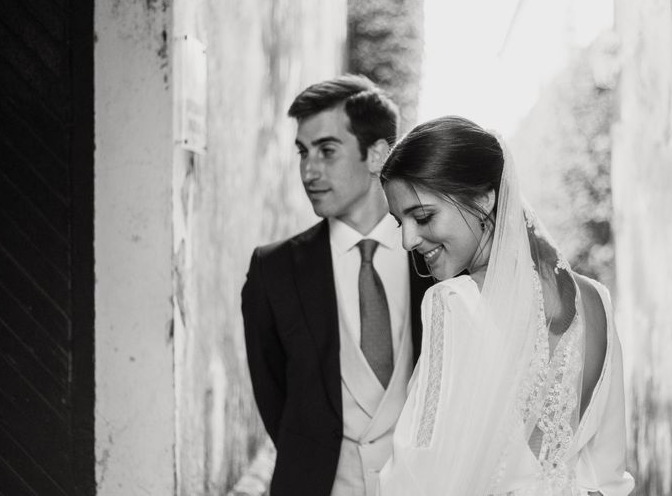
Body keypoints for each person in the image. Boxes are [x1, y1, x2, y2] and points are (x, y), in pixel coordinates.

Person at [378, 116, 635, 495]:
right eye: (400, 222)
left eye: (422, 216)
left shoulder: (453, 304)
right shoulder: (596, 300)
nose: (407, 240)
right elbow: (608, 478)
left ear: (485, 198)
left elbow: (418, 476)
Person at [241, 75, 433, 496]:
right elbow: (275, 399)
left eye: (327, 151)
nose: (309, 170)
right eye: (303, 152)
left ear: (378, 154)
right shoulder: (273, 271)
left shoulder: (436, 259)